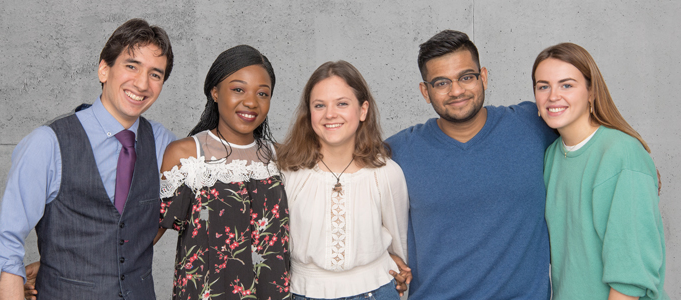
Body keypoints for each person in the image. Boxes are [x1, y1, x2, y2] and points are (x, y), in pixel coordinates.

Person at [0, 18, 176, 299]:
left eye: (155, 74)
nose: (142, 83)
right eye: (131, 66)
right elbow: (5, 240)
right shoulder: (48, 143)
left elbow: (173, 214)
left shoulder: (164, 144)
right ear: (104, 69)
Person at [385, 30, 557, 299]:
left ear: (483, 77)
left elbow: (594, 138)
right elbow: (343, 191)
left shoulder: (534, 125)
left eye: (466, 77)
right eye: (441, 83)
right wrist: (381, 254)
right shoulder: (398, 151)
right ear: (425, 91)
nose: (456, 91)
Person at [532, 43, 668, 300]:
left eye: (567, 85)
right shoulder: (552, 156)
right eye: (543, 86)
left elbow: (630, 274)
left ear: (591, 91)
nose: (553, 96)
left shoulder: (622, 153)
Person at [156, 45, 290, 299]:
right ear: (215, 92)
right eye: (238, 89)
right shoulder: (187, 155)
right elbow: (146, 233)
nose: (251, 102)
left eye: (263, 93)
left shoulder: (281, 159)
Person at [276, 60, 410, 300]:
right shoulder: (288, 173)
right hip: (303, 293)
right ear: (309, 114)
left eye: (342, 103)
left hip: (376, 292)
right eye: (319, 105)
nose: (330, 114)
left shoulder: (386, 173)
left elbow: (399, 245)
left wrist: (402, 283)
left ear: (363, 110)